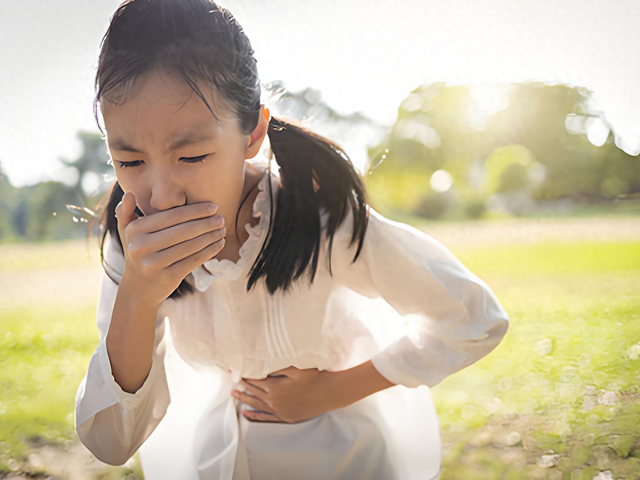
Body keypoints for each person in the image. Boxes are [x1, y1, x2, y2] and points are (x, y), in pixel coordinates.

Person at [74, 1, 510, 479]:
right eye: (131, 162)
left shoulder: (317, 220)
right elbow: (112, 440)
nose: (162, 196)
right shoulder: (131, 242)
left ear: (253, 134)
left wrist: (331, 390)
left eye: (193, 156)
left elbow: (473, 319)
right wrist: (138, 295)